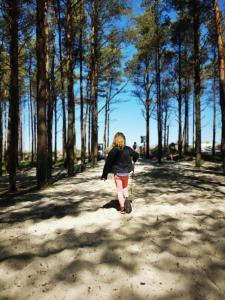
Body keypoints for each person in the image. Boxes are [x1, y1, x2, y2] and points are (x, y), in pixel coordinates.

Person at [101, 132, 139, 214]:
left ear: (115, 140)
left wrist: (104, 175)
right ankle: (127, 201)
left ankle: (122, 208)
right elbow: (136, 155)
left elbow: (108, 163)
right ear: (124, 140)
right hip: (126, 173)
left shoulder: (113, 150)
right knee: (125, 188)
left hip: (118, 174)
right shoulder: (128, 149)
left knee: (119, 191)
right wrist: (134, 159)